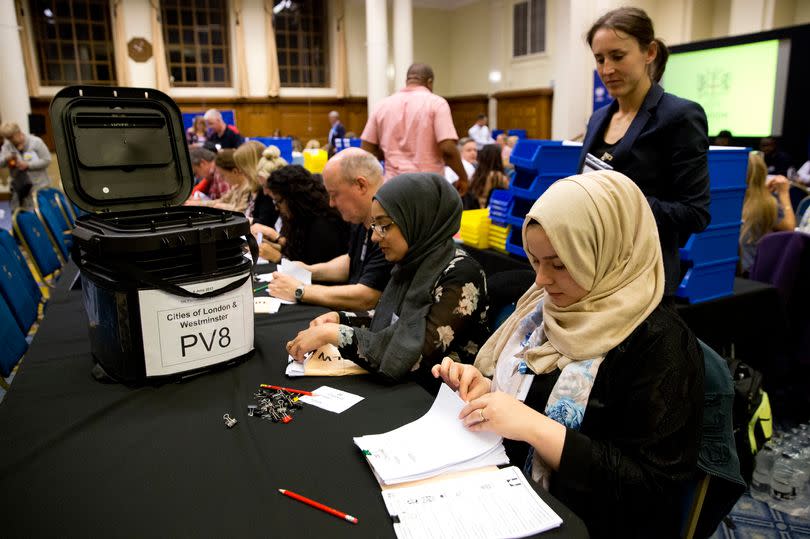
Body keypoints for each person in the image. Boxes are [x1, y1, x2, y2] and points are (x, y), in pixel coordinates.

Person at [432, 170, 704, 537]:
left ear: (610, 253)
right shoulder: (545, 310)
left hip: (587, 521)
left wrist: (535, 427)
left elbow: (654, 488)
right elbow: (530, 392)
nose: (541, 280)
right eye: (535, 261)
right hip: (510, 496)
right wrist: (487, 390)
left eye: (560, 264)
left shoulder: (661, 343)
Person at [286, 173, 489, 384]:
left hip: (438, 399)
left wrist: (336, 334)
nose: (375, 236)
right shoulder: (413, 262)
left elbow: (417, 359)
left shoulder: (461, 273)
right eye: (374, 225)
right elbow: (392, 322)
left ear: (417, 219)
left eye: (384, 225)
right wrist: (341, 319)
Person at [578, 7, 711, 297]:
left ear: (649, 52)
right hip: (592, 267)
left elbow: (695, 213)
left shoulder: (679, 116)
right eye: (599, 59)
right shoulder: (599, 118)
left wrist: (621, 200)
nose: (607, 70)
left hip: (642, 279)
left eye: (617, 56)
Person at [267, 148, 392, 310]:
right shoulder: (361, 217)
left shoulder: (388, 224)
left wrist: (301, 291)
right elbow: (351, 261)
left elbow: (368, 296)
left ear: (361, 185)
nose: (331, 203)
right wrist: (308, 270)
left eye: (334, 194)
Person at [361, 63, 468, 193]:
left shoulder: (382, 105)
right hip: (428, 186)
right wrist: (463, 177)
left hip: (393, 186)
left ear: (407, 81)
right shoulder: (437, 103)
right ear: (429, 82)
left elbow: (367, 150)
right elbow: (447, 148)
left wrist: (388, 154)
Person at [265, 165, 350, 265]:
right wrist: (274, 247)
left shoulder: (323, 226)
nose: (276, 208)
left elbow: (316, 271)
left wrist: (279, 258)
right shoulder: (301, 219)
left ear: (293, 199)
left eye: (278, 202)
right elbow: (297, 252)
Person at [740, 152, 796, 274]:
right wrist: (784, 194)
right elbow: (789, 230)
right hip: (752, 275)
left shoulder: (726, 200)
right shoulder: (766, 204)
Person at [0, 122, 51, 210]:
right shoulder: (7, 146)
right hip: (20, 189)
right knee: (22, 218)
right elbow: (1, 163)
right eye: (8, 138)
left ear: (19, 132)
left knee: (43, 215)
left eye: (11, 137)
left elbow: (47, 160)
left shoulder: (36, 142)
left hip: (39, 187)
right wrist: (7, 158)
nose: (10, 140)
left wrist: (28, 165)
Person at [463, 144, 509, 209]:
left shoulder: (477, 174)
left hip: (475, 210)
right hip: (490, 212)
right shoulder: (498, 176)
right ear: (498, 157)